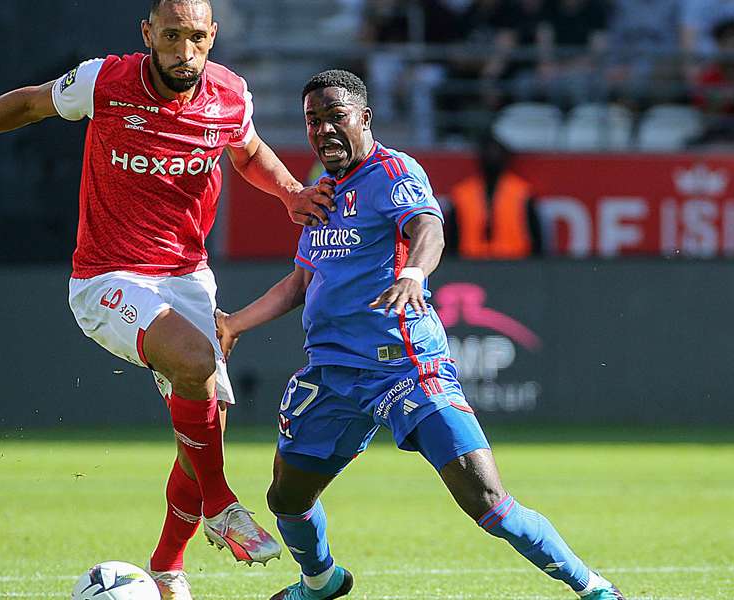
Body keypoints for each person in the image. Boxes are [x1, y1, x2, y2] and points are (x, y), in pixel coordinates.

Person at [0, 1, 336, 599]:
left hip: (188, 278)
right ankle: (222, 505)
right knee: (196, 364)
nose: (184, 51)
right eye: (171, 36)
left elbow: (245, 152)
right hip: (106, 278)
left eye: (196, 37)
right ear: (148, 34)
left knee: (207, 425)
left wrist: (291, 193)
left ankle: (168, 566)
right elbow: (31, 102)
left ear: (212, 36)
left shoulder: (230, 94)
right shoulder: (106, 80)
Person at [215, 69, 625, 600]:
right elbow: (300, 283)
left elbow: (428, 227)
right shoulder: (322, 195)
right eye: (313, 120)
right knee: (286, 499)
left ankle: (595, 589)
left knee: (488, 503)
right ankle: (320, 582)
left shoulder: (393, 170)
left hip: (406, 367)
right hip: (333, 373)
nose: (324, 130)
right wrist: (234, 323)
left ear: (364, 117)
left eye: (335, 116)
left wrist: (413, 274)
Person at [445, 132, 543, 259]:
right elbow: (451, 238)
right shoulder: (461, 194)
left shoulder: (522, 193)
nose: (492, 156)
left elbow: (537, 239)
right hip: (470, 264)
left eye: (497, 152)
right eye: (488, 151)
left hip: (515, 265)